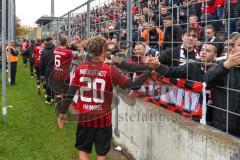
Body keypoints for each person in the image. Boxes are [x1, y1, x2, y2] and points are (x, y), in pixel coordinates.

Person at [56, 35, 157, 160]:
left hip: (85, 118)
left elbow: (70, 93)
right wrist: (148, 71)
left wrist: (62, 113)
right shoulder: (109, 70)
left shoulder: (80, 69)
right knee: (101, 154)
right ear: (103, 50)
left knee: (83, 150)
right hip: (103, 120)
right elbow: (132, 85)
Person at [205, 34, 240, 137]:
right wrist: (226, 66)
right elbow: (208, 81)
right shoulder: (221, 63)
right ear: (232, 48)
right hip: (224, 128)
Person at [40, 37, 55, 104]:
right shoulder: (55, 49)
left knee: (48, 84)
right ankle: (53, 98)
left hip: (47, 70)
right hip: (54, 69)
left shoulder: (43, 51)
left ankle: (48, 99)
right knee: (53, 83)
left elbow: (41, 63)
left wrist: (42, 74)